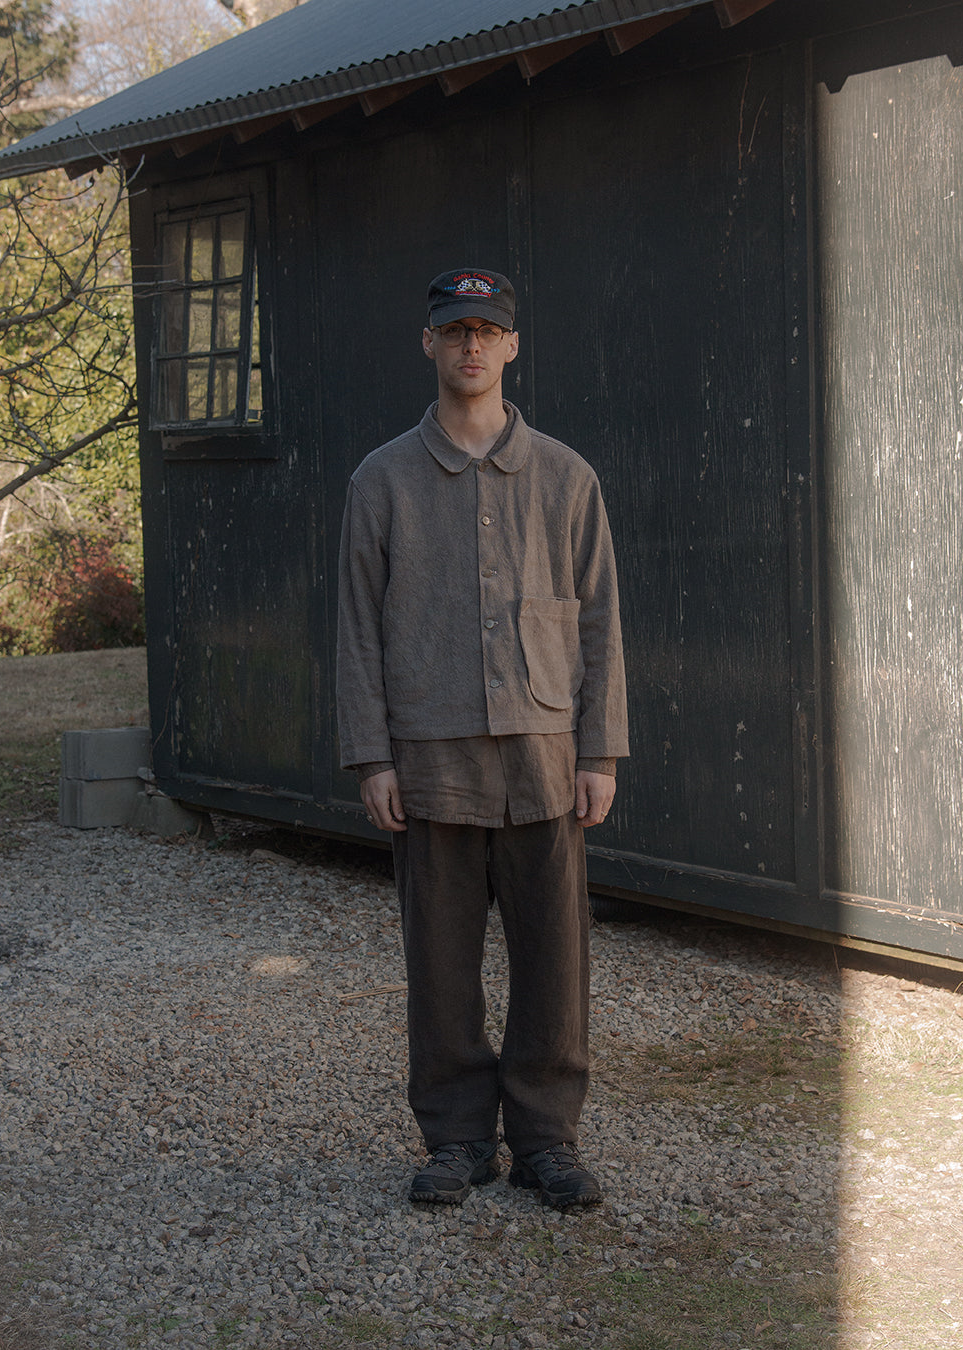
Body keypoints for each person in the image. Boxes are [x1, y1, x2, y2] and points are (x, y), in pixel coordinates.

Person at [336, 267, 628, 1207]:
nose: (470, 345)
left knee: (555, 960)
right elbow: (356, 629)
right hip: (431, 761)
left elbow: (599, 625)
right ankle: (458, 1137)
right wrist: (373, 754)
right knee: (440, 964)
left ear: (511, 345)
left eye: (486, 330)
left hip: (545, 760)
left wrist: (598, 750)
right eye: (453, 329)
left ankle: (548, 1138)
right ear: (429, 343)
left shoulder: (567, 478)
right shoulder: (381, 481)